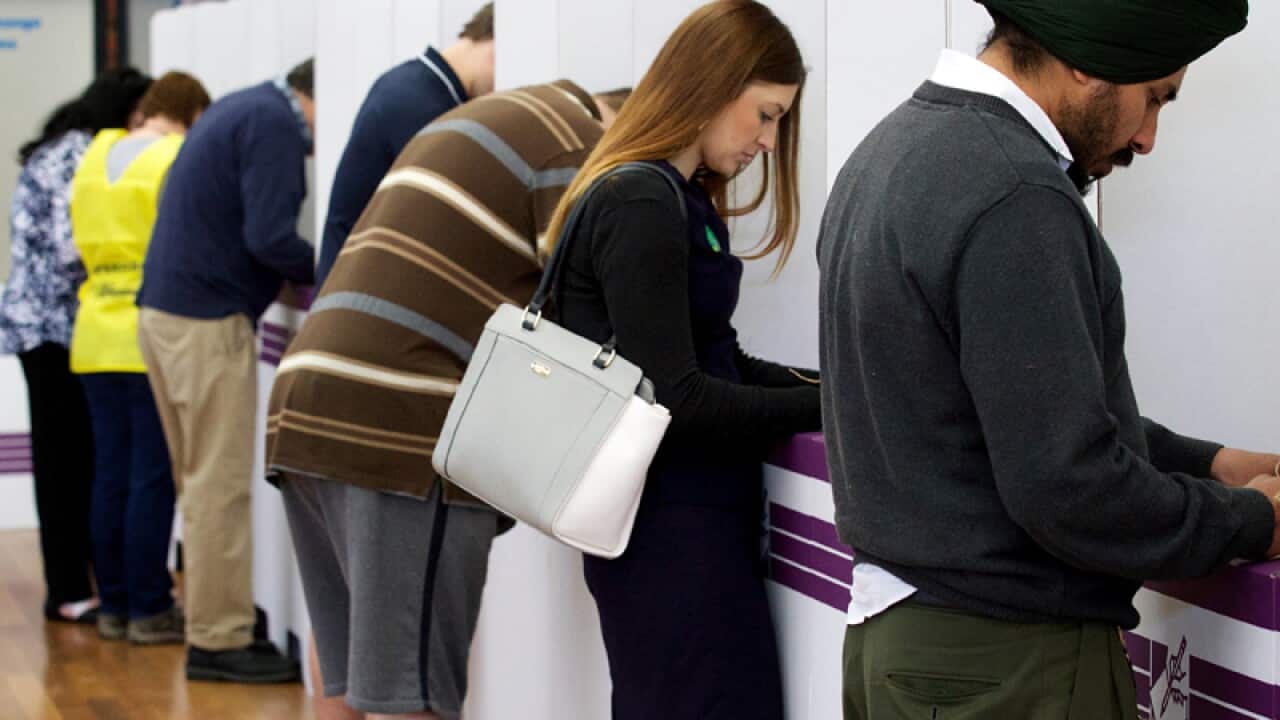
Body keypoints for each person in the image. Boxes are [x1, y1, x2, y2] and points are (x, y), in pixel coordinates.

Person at [816, 2, 1280, 718]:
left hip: (904, 652)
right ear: (1087, 61)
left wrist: (1208, 463)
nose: (1150, 137)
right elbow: (1070, 488)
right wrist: (1249, 521)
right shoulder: (1016, 193)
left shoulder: (890, 153)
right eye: (1153, 97)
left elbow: (1001, 415)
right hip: (1009, 665)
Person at [266, 79, 621, 720]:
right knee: (413, 696)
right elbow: (590, 313)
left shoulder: (480, 119)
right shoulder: (578, 144)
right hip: (401, 427)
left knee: (347, 675)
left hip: (307, 403)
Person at [548, 2, 820, 717]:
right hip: (669, 541)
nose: (768, 140)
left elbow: (719, 360)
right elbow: (680, 397)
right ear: (709, 85)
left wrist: (840, 381)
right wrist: (842, 401)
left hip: (693, 530)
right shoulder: (641, 201)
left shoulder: (679, 200)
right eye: (764, 115)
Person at [135, 58, 316, 684]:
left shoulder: (242, 107)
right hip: (204, 322)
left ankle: (216, 625)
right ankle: (219, 639)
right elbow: (270, 236)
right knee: (218, 486)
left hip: (166, 314)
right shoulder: (276, 125)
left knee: (199, 482)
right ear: (313, 98)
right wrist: (332, 265)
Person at [0, 67, 152, 626]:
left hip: (49, 326)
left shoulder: (66, 149)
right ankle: (67, 589)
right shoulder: (79, 156)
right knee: (64, 462)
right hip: (53, 329)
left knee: (73, 459)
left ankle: (76, 582)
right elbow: (74, 245)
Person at [69, 71, 211, 645]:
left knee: (109, 475)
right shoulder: (176, 156)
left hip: (93, 329)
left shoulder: (96, 153)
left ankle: (115, 604)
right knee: (151, 476)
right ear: (191, 114)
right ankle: (150, 607)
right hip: (149, 328)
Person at [315, 3, 495, 285]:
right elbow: (446, 220)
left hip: (350, 287)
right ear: (495, 47)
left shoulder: (410, 84)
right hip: (360, 293)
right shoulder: (421, 106)